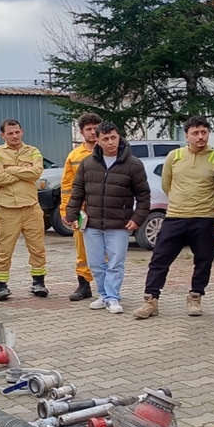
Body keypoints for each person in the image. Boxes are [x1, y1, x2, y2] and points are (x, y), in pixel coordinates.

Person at [134, 116, 214, 320]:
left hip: (204, 217)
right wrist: (180, 200)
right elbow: (167, 184)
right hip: (176, 216)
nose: (200, 137)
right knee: (159, 259)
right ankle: (150, 301)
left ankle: (195, 297)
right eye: (195, 133)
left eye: (204, 132)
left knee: (204, 260)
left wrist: (209, 201)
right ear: (187, 135)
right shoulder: (175, 156)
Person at [64, 121, 150, 314]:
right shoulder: (87, 163)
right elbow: (78, 191)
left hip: (119, 223)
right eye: (106, 139)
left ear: (118, 137)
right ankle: (103, 295)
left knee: (115, 262)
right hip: (92, 222)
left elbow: (143, 195)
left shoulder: (133, 164)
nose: (111, 142)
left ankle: (113, 297)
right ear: (98, 141)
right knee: (95, 263)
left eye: (113, 137)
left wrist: (138, 218)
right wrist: (71, 214)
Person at [0, 119, 48, 301]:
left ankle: (39, 283)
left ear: (22, 131)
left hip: (31, 208)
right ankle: (1, 285)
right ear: (2, 135)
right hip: (8, 210)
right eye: (10, 133)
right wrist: (23, 170)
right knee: (4, 249)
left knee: (38, 248)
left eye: (17, 132)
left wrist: (10, 169)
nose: (14, 136)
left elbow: (36, 173)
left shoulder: (33, 151)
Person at [60, 113, 102, 302]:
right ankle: (84, 285)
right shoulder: (74, 156)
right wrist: (66, 212)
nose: (93, 132)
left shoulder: (110, 151)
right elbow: (67, 186)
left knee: (107, 251)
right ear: (82, 132)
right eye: (89, 129)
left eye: (95, 128)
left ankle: (107, 289)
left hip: (105, 210)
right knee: (82, 250)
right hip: (82, 212)